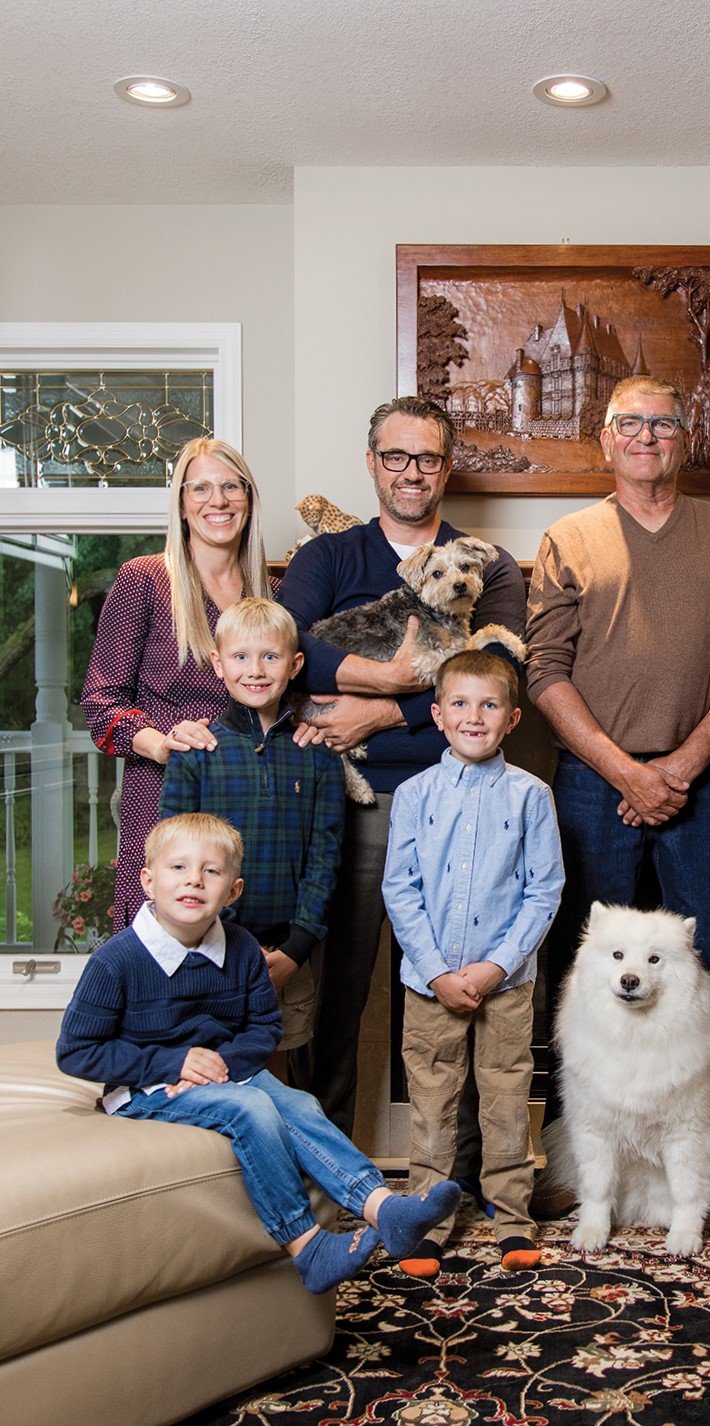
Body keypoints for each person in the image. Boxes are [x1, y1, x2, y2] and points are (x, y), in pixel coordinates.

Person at [525, 375, 710, 1224]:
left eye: (661, 424)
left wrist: (685, 763)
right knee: (581, 973)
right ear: (605, 440)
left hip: (703, 785)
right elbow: (544, 673)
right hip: (594, 786)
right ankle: (571, 1159)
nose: (645, 437)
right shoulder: (570, 537)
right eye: (629, 424)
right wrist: (626, 772)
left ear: (684, 437)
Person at [55, 812, 462, 1295]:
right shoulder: (117, 960)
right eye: (178, 868)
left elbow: (264, 1027)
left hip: (228, 1073)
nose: (194, 880)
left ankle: (382, 1208)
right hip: (147, 1086)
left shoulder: (243, 948)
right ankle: (306, 1245)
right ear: (148, 881)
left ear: (233, 890)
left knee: (301, 1103)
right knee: (248, 1110)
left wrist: (223, 1063)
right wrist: (174, 1063)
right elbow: (76, 1052)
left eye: (211, 871)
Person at [280, 395, 526, 1138]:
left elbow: (495, 681)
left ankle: (476, 1167)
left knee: (468, 987)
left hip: (460, 798)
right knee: (339, 987)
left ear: (447, 466)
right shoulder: (328, 557)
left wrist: (377, 710)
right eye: (396, 456)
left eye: (427, 458)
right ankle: (331, 1163)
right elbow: (292, 650)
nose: (411, 472)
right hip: (352, 805)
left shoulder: (487, 565)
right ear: (372, 463)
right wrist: (390, 678)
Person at [382, 651, 564, 1279]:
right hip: (429, 984)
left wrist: (495, 967)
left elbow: (544, 891)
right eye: (459, 703)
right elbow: (400, 888)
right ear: (437, 715)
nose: (473, 716)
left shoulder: (531, 796)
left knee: (507, 1098)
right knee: (432, 1100)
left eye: (489, 705)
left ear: (512, 719)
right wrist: (435, 971)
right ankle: (428, 1220)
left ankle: (512, 1216)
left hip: (505, 984)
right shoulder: (412, 795)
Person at [82, 437, 276, 931]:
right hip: (163, 795)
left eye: (232, 487)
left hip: (247, 797)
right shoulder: (143, 580)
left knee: (241, 951)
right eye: (202, 488)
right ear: (182, 503)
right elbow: (101, 706)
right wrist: (162, 744)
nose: (218, 501)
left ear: (249, 500)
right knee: (159, 960)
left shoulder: (271, 593)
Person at [158, 599, 345, 1074]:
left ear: (294, 664)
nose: (256, 671)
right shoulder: (195, 752)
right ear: (219, 664)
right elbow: (174, 859)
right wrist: (217, 937)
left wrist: (295, 948)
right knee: (209, 1069)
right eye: (240, 657)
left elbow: (325, 855)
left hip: (286, 953)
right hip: (207, 948)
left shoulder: (317, 755)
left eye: (271, 656)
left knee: (278, 1071)